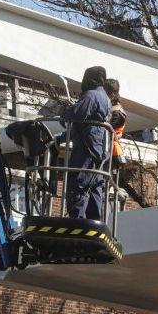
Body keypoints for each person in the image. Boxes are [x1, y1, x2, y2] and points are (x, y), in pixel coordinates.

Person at [60, 66, 111, 220]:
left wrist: (66, 112)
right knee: (95, 184)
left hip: (87, 147)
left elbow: (77, 114)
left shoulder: (91, 95)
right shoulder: (105, 97)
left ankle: (78, 220)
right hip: (99, 147)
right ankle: (93, 219)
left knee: (79, 181)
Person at [104, 78, 128, 168]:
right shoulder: (115, 108)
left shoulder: (117, 112)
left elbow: (106, 128)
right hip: (109, 147)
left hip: (111, 149)